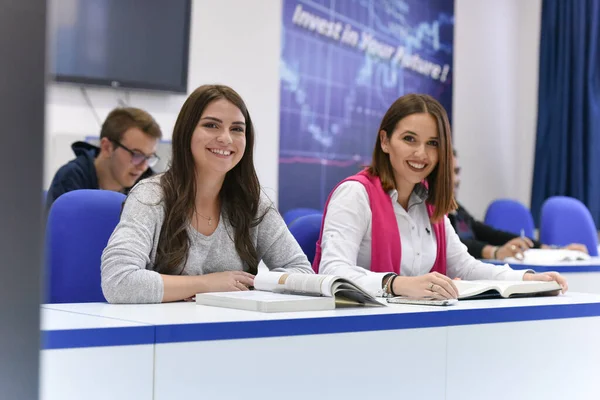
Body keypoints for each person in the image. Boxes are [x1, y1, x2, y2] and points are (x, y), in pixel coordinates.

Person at [313, 93, 567, 300]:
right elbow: (333, 272)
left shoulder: (430, 204)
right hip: (357, 331)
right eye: (409, 139)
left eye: (433, 143)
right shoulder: (355, 194)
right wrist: (396, 284)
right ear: (385, 141)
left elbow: (466, 268)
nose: (421, 153)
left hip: (420, 328)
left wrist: (526, 279)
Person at [101, 85, 313, 304]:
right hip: (163, 332)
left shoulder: (252, 202)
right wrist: (208, 284)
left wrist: (255, 286)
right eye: (211, 125)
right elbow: (118, 282)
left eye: (237, 129)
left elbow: (303, 274)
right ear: (187, 132)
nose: (226, 138)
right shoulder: (151, 196)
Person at [450, 150, 587, 260]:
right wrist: (495, 252)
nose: (456, 180)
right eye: (449, 173)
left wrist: (551, 250)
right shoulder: (432, 213)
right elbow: (452, 245)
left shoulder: (456, 209)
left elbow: (491, 234)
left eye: (457, 172)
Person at [46, 107, 162, 208]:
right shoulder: (70, 179)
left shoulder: (150, 187)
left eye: (149, 157)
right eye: (137, 155)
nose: (143, 167)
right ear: (107, 147)